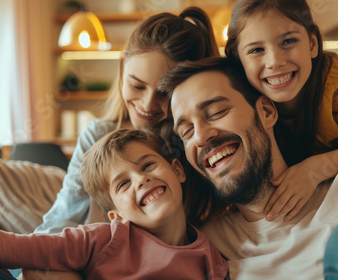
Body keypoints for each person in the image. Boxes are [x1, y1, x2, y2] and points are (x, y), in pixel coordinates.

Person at [160, 56, 338, 279]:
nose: (200, 136)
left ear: (266, 112)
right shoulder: (205, 247)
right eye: (186, 131)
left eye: (216, 112)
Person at [0, 129, 229, 280]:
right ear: (116, 214)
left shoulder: (211, 258)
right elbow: (16, 247)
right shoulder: (104, 239)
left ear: (177, 170)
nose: (140, 180)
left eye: (148, 165)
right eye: (123, 184)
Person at [37, 6, 219, 235]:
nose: (147, 104)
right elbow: (61, 219)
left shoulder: (195, 143)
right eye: (137, 85)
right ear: (122, 66)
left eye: (164, 93)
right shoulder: (96, 137)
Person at [224, 0, 338, 222]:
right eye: (256, 50)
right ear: (237, 58)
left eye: (288, 41)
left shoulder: (333, 78)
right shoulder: (238, 96)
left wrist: (315, 169)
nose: (275, 61)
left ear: (311, 44)